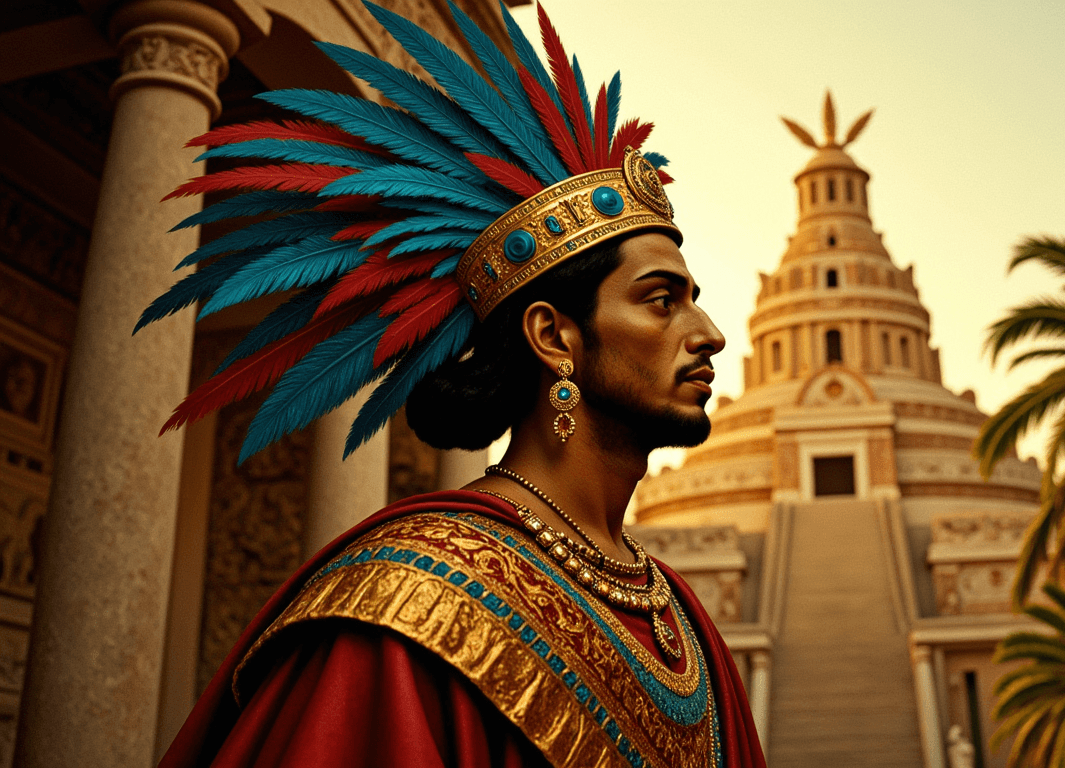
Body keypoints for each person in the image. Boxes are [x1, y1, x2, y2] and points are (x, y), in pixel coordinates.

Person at [142, 2, 767, 766]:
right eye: (662, 300)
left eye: (694, 301)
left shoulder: (684, 623)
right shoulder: (408, 600)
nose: (708, 333)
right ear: (552, 337)